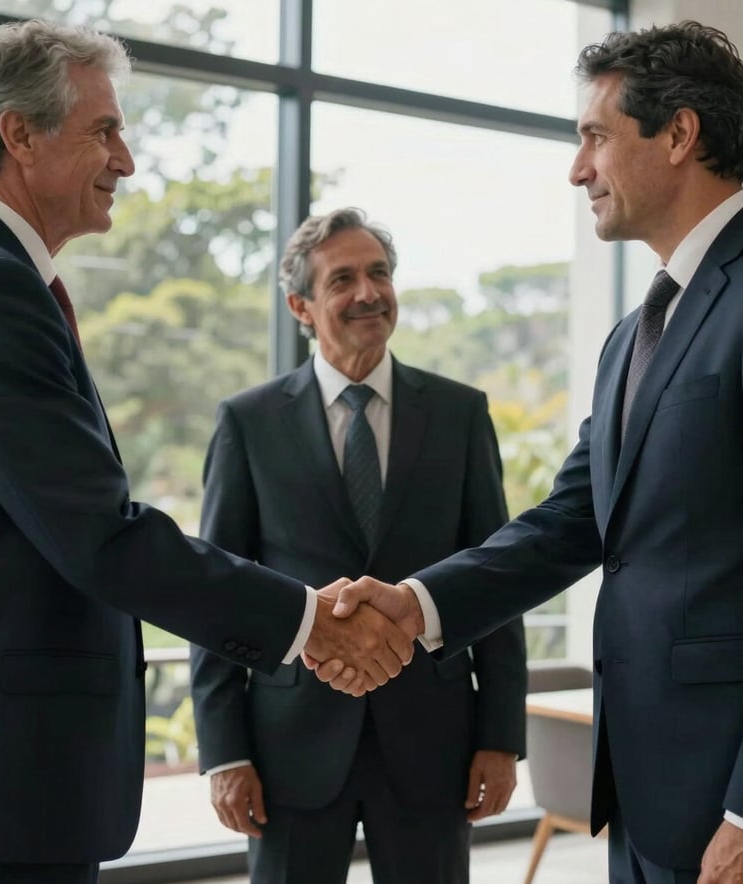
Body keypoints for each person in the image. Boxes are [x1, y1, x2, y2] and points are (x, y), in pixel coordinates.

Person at [0, 21, 411, 884]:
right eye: (104, 130)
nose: (127, 160)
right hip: (9, 776)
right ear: (18, 134)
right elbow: (96, 532)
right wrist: (308, 620)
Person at [321, 20, 743, 884]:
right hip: (647, 788)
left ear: (680, 134)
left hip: (726, 793)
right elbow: (572, 523)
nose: (577, 168)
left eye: (595, 136)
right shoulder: (632, 334)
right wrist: (415, 604)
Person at [189, 207, 527, 884]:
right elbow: (216, 595)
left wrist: (500, 739)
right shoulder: (247, 422)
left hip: (434, 742)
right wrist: (225, 753)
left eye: (379, 273)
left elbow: (497, 579)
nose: (368, 292)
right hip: (290, 744)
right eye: (342, 279)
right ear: (301, 306)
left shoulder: (461, 414)